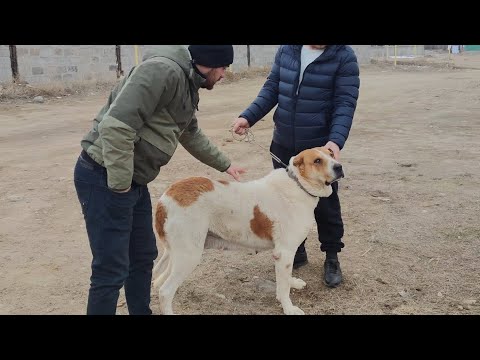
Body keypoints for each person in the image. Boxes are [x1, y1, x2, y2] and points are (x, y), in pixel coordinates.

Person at [74, 45, 246, 315]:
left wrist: (225, 164)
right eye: (224, 67)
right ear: (211, 63)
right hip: (105, 177)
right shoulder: (161, 71)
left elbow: (189, 133)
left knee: (142, 258)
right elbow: (116, 126)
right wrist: (120, 187)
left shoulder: (188, 81)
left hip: (132, 181)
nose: (225, 74)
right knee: (111, 268)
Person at [233, 45, 359, 288]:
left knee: (326, 204)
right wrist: (248, 116)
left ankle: (331, 256)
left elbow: (345, 102)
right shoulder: (287, 50)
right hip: (283, 143)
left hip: (318, 147)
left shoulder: (344, 56)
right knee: (284, 200)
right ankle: (295, 249)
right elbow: (272, 88)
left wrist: (335, 140)